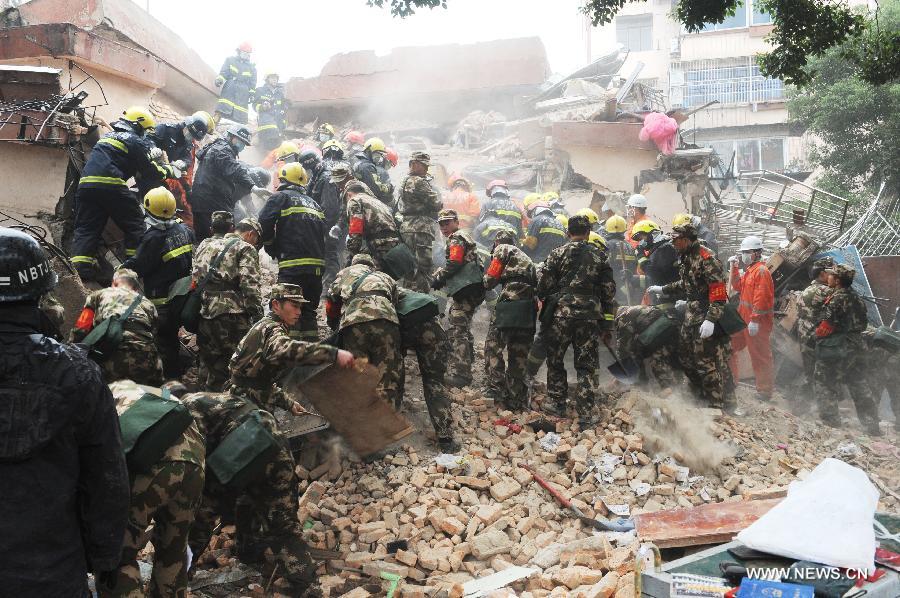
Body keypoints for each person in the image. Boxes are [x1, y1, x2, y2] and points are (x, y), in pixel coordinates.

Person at [0, 228, 129, 596]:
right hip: (50, 573)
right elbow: (107, 479)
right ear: (42, 295)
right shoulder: (76, 372)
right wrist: (103, 559)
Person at [100, 380, 205, 598]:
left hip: (152, 465)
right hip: (194, 462)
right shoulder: (153, 392)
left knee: (116, 558)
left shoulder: (104, 392)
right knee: (173, 551)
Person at [70, 106, 176, 281]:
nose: (144, 134)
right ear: (137, 125)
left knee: (87, 228)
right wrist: (169, 170)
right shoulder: (134, 140)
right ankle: (132, 271)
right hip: (110, 184)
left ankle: (80, 271)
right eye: (144, 130)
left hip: (86, 186)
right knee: (135, 225)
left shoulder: (107, 136)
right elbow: (150, 171)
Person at [536, 215, 617, 425]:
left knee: (555, 360)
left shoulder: (557, 253)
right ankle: (586, 413)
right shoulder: (599, 256)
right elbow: (609, 293)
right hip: (589, 317)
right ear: (589, 233)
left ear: (568, 232)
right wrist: (607, 325)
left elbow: (543, 287)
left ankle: (556, 403)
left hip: (561, 316)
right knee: (586, 365)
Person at [230, 283, 353, 415]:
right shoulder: (272, 329)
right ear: (276, 305)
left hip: (245, 400)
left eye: (300, 307)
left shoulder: (267, 325)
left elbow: (260, 382)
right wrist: (332, 353)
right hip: (245, 406)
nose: (299, 312)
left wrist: (289, 404)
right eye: (294, 306)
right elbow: (287, 349)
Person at [652, 223, 735, 411]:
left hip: (706, 315)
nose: (673, 244)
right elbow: (686, 282)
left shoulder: (707, 258)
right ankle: (700, 396)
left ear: (687, 239)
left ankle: (716, 405)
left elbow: (718, 293)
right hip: (691, 315)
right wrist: (664, 289)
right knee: (686, 358)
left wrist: (711, 320)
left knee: (706, 362)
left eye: (676, 240)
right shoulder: (686, 256)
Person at [122, 187, 195, 379]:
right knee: (171, 337)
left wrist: (121, 269)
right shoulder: (184, 229)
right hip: (182, 296)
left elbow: (139, 266)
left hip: (162, 302)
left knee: (163, 342)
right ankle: (176, 373)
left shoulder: (154, 237)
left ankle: (168, 381)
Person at [192, 212, 264, 390]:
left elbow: (195, 276)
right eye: (256, 240)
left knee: (209, 363)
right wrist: (258, 314)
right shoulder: (245, 248)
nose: (255, 244)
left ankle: (206, 403)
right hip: (232, 316)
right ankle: (234, 406)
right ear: (251, 234)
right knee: (238, 363)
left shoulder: (204, 244)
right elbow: (250, 285)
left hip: (204, 311)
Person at [259, 163, 326, 341]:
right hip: (316, 270)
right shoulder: (315, 204)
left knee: (288, 312)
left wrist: (270, 245)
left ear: (282, 180)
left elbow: (263, 222)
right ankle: (311, 356)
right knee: (309, 311)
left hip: (293, 268)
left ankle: (290, 358)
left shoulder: (280, 197)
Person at [327, 254, 402, 407]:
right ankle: (387, 422)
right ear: (371, 266)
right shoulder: (384, 276)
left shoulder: (344, 273)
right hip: (386, 322)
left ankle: (361, 421)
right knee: (387, 374)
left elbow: (331, 301)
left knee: (358, 373)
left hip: (354, 324)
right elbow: (395, 302)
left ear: (354, 264)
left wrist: (334, 324)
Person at [813, 264, 880, 435]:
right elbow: (864, 324)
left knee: (825, 381)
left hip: (839, 347)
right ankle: (871, 424)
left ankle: (831, 422)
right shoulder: (858, 299)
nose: (828, 277)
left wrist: (817, 336)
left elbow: (825, 326)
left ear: (837, 280)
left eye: (831, 275)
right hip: (858, 346)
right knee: (858, 383)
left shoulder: (836, 299)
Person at [71, 267, 163, 385]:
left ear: (114, 283)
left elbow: (81, 329)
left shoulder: (98, 295)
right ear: (136, 288)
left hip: (111, 357)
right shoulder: (148, 304)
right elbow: (153, 333)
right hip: (145, 360)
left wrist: (71, 353)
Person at [396, 287, 458, 452]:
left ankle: (394, 423)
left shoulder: (380, 294)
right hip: (433, 331)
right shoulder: (407, 292)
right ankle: (446, 439)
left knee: (394, 376)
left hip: (403, 328)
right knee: (435, 382)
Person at [483, 229, 537, 410]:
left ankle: (495, 389)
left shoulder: (503, 249)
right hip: (528, 307)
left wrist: (483, 280)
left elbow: (491, 279)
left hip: (509, 303)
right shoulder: (527, 260)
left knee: (493, 345)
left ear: (496, 243)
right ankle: (517, 398)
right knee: (519, 352)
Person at [432, 209, 485, 388]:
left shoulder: (456, 238)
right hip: (472, 289)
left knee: (457, 328)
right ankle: (467, 360)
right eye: (441, 224)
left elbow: (454, 262)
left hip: (466, 289)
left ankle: (461, 374)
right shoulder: (464, 236)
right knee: (463, 324)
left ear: (456, 221)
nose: (444, 227)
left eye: (447, 223)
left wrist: (440, 277)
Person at [331, 168, 410, 279]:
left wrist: (351, 255)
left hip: (379, 247)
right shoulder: (375, 201)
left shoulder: (354, 201)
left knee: (367, 280)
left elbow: (356, 230)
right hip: (393, 247)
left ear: (348, 194)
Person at [148, 110, 216, 229]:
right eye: (191, 133)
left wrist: (183, 162)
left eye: (194, 137)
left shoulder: (188, 143)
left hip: (165, 177)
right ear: (186, 125)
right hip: (148, 172)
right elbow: (146, 139)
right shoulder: (165, 129)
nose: (191, 138)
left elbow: (188, 159)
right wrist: (152, 148)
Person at [728, 235, 775, 401]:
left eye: (746, 252)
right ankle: (730, 381)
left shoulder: (762, 272)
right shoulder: (750, 271)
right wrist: (734, 268)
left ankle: (764, 391)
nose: (744, 255)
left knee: (760, 356)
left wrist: (755, 320)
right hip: (743, 320)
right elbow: (737, 286)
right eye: (743, 252)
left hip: (757, 323)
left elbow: (762, 298)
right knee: (729, 346)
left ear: (756, 253)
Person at [191, 125, 257, 241]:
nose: (242, 146)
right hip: (210, 203)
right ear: (232, 137)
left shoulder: (221, 148)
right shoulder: (221, 150)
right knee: (212, 239)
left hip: (207, 201)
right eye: (241, 141)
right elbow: (234, 169)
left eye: (244, 143)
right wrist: (253, 186)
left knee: (208, 239)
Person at [794, 257, 834, 409]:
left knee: (809, 372)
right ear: (823, 274)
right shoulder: (826, 291)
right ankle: (824, 409)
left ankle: (801, 406)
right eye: (831, 273)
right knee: (821, 374)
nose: (834, 276)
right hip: (817, 337)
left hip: (805, 335)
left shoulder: (808, 289)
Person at [398, 151, 442, 292]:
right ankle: (423, 301)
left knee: (408, 267)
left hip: (406, 227)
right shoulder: (419, 182)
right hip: (421, 227)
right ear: (414, 164)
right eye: (424, 165)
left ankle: (406, 298)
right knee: (424, 267)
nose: (427, 169)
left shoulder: (404, 181)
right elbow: (436, 204)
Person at [310, 140, 349, 295]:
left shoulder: (326, 174)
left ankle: (330, 290)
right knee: (339, 252)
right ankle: (339, 286)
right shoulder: (344, 169)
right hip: (343, 220)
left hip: (331, 222)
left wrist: (325, 226)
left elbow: (330, 206)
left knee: (330, 253)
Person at [615, 304, 680, 390]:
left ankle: (668, 391)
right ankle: (681, 387)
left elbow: (622, 349)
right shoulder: (636, 308)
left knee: (655, 362)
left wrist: (620, 375)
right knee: (674, 361)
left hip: (659, 333)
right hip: (673, 326)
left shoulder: (622, 317)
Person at [631, 220, 679, 305]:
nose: (641, 242)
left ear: (652, 234)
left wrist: (641, 257)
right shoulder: (656, 250)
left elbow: (655, 274)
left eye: (642, 237)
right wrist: (634, 280)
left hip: (670, 300)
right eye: (639, 240)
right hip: (663, 297)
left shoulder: (665, 248)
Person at [214, 41, 256, 124]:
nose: (246, 55)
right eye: (244, 52)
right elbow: (223, 73)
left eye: (248, 53)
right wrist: (219, 80)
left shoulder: (252, 68)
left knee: (240, 118)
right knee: (221, 110)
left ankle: (237, 133)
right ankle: (214, 125)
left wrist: (251, 94)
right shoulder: (230, 60)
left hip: (243, 93)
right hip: (230, 88)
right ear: (239, 51)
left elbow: (253, 83)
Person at [603, 214, 637, 304]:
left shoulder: (607, 245)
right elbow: (635, 265)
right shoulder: (629, 246)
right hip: (628, 286)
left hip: (614, 288)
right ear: (624, 229)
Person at [352, 137, 395, 207]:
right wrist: (389, 187)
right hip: (365, 202)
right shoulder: (368, 167)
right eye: (378, 153)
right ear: (369, 151)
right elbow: (376, 189)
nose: (379, 157)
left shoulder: (357, 161)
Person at [254, 71, 286, 150]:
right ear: (267, 79)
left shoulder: (280, 93)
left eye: (276, 78)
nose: (275, 80)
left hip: (278, 128)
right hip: (266, 128)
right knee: (266, 152)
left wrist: (283, 126)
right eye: (272, 78)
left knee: (277, 153)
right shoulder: (260, 91)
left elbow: (282, 111)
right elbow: (254, 105)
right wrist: (262, 107)